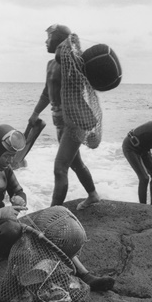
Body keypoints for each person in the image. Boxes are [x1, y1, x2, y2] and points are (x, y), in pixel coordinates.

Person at [0, 124, 114, 291]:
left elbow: (18, 190)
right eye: (6, 156)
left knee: (45, 229)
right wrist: (0, 212)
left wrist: (20, 199)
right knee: (11, 229)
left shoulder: (3, 168)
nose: (10, 161)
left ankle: (83, 273)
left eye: (12, 156)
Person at [29, 24, 102, 211]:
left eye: (49, 37)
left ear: (58, 39)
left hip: (75, 120)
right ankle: (93, 195)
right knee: (75, 163)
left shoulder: (72, 62)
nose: (45, 41)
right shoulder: (50, 64)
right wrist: (35, 113)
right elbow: (47, 93)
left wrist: (67, 45)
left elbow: (71, 61)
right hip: (59, 122)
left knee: (60, 167)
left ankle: (54, 213)